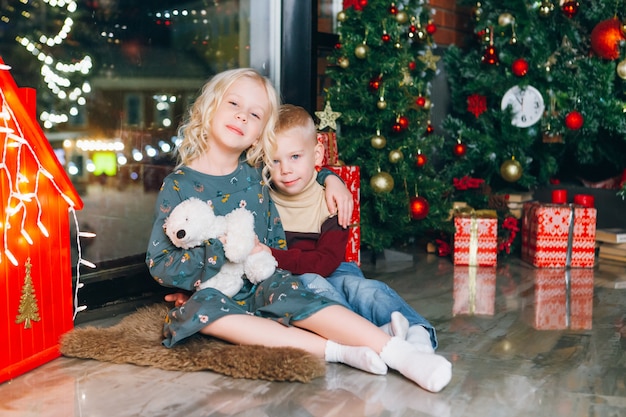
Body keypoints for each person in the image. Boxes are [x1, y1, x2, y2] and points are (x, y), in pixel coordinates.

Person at [146, 67, 451, 392]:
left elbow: (290, 199)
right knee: (206, 314)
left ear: (261, 132)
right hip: (216, 290)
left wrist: (331, 178)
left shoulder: (256, 175)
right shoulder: (179, 184)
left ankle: (401, 353)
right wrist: (206, 269)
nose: (242, 117)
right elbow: (160, 262)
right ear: (209, 107)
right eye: (233, 104)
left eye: (254, 113)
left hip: (262, 278)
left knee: (302, 294)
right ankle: (341, 352)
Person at [265, 104, 438, 353]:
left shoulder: (333, 200)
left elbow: (326, 262)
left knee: (365, 290)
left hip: (332, 267)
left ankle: (416, 332)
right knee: (314, 284)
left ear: (316, 155)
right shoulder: (262, 197)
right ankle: (366, 339)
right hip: (293, 277)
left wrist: (271, 255)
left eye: (295, 157)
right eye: (275, 160)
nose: (286, 169)